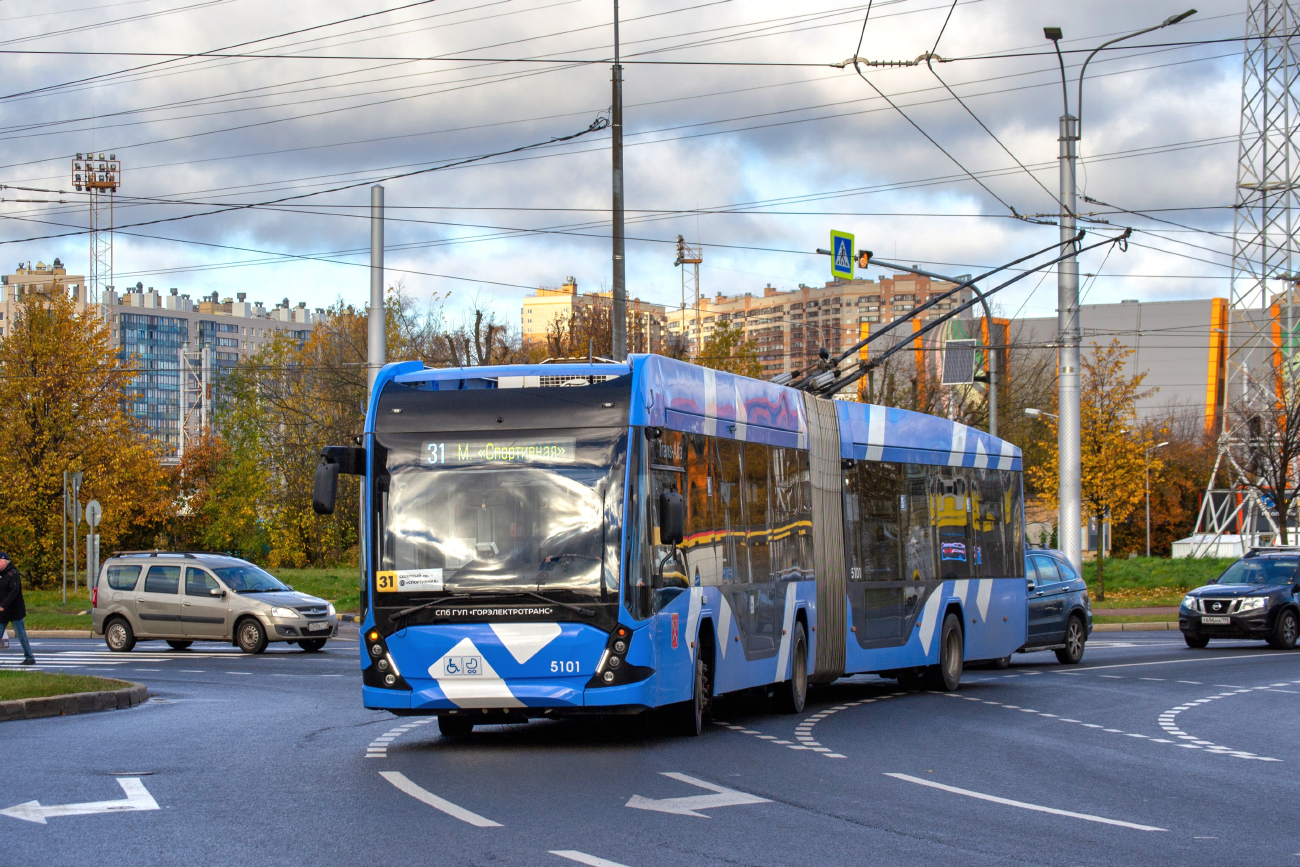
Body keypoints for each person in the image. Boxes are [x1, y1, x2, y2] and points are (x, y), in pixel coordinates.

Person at [0, 552, 35, 665]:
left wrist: (3, 605)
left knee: (21, 635)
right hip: (3, 613)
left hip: (14, 610)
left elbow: (14, 591)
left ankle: (29, 657)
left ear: (5, 561)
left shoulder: (13, 573)